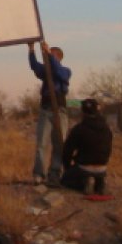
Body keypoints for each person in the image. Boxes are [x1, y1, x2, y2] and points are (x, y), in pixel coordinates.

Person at [28, 39, 71, 186]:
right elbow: (34, 66)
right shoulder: (45, 72)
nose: (46, 57)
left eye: (50, 55)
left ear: (58, 57)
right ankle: (39, 174)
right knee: (41, 143)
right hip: (46, 110)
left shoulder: (65, 71)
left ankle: (54, 173)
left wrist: (49, 55)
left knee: (59, 144)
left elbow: (59, 73)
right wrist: (31, 49)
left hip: (60, 111)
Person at [60, 98, 113, 195]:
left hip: (84, 167)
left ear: (83, 112)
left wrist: (67, 168)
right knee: (96, 173)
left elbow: (67, 151)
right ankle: (99, 183)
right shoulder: (107, 129)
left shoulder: (78, 129)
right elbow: (108, 150)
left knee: (65, 180)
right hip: (102, 167)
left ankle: (85, 183)